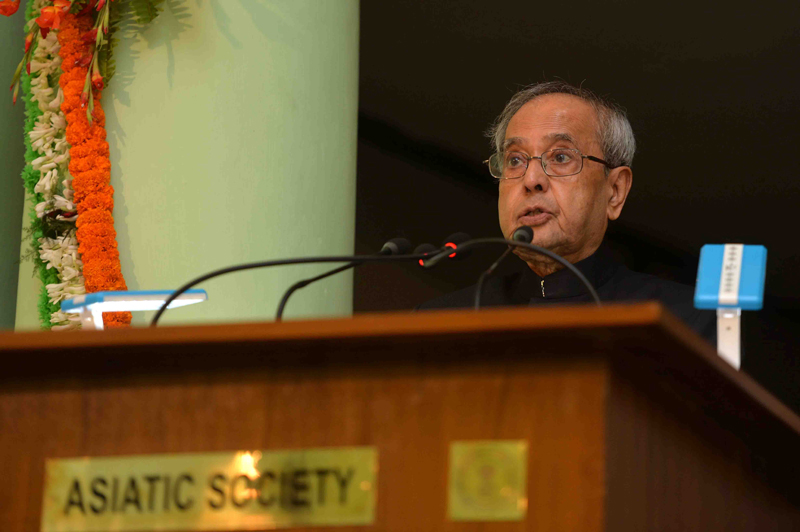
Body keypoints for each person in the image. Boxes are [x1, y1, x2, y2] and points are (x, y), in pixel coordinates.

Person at [418, 81, 715, 343]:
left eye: (560, 157)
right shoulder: (440, 322)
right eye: (515, 160)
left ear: (615, 191)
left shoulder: (678, 324)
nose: (531, 179)